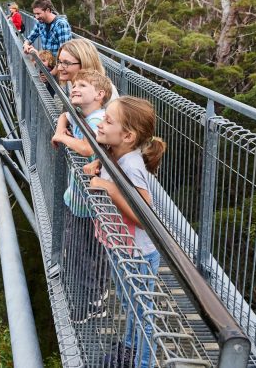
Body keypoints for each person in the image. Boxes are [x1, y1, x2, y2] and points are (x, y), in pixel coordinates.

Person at [84, 96, 167, 368]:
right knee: (131, 307)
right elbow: (109, 162)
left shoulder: (131, 165)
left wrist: (110, 189)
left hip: (138, 256)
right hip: (121, 248)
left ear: (128, 136)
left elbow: (145, 217)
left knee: (142, 315)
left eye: (108, 120)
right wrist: (99, 162)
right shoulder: (115, 153)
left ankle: (142, 363)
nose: (101, 123)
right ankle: (130, 350)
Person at [51, 70, 113, 322]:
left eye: (82, 85)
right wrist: (61, 126)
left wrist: (61, 138)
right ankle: (96, 293)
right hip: (79, 200)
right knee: (85, 251)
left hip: (87, 205)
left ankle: (91, 302)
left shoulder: (98, 118)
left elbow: (88, 147)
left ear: (99, 95)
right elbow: (65, 114)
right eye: (74, 85)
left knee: (81, 253)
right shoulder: (82, 113)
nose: (74, 88)